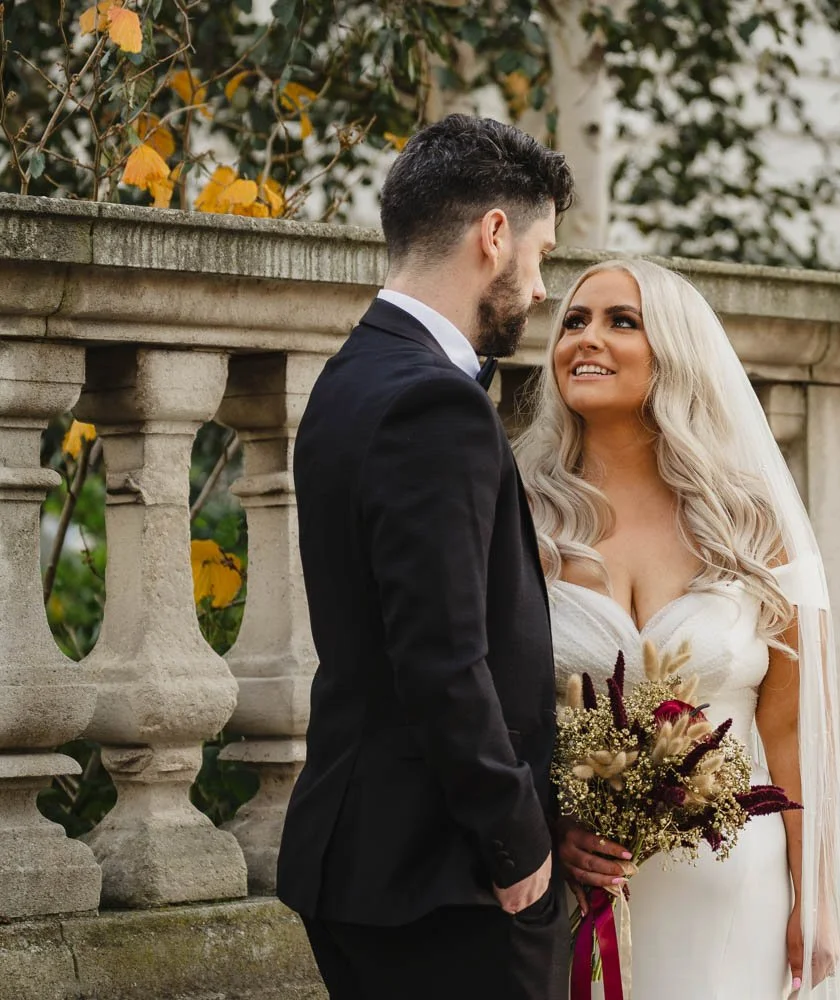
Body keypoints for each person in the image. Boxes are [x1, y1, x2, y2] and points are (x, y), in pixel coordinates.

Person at [514, 258, 840, 998]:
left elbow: (796, 729)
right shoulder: (522, 517)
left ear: (673, 351)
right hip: (584, 886)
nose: (586, 339)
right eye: (574, 322)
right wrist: (551, 829)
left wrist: (817, 898)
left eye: (621, 321)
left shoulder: (753, 525)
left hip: (737, 884)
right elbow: (494, 708)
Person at [278, 114, 573, 1000]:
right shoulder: (429, 402)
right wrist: (518, 841)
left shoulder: (352, 374)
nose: (541, 286)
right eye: (542, 254)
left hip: (376, 858)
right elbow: (442, 657)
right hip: (443, 878)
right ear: (494, 236)